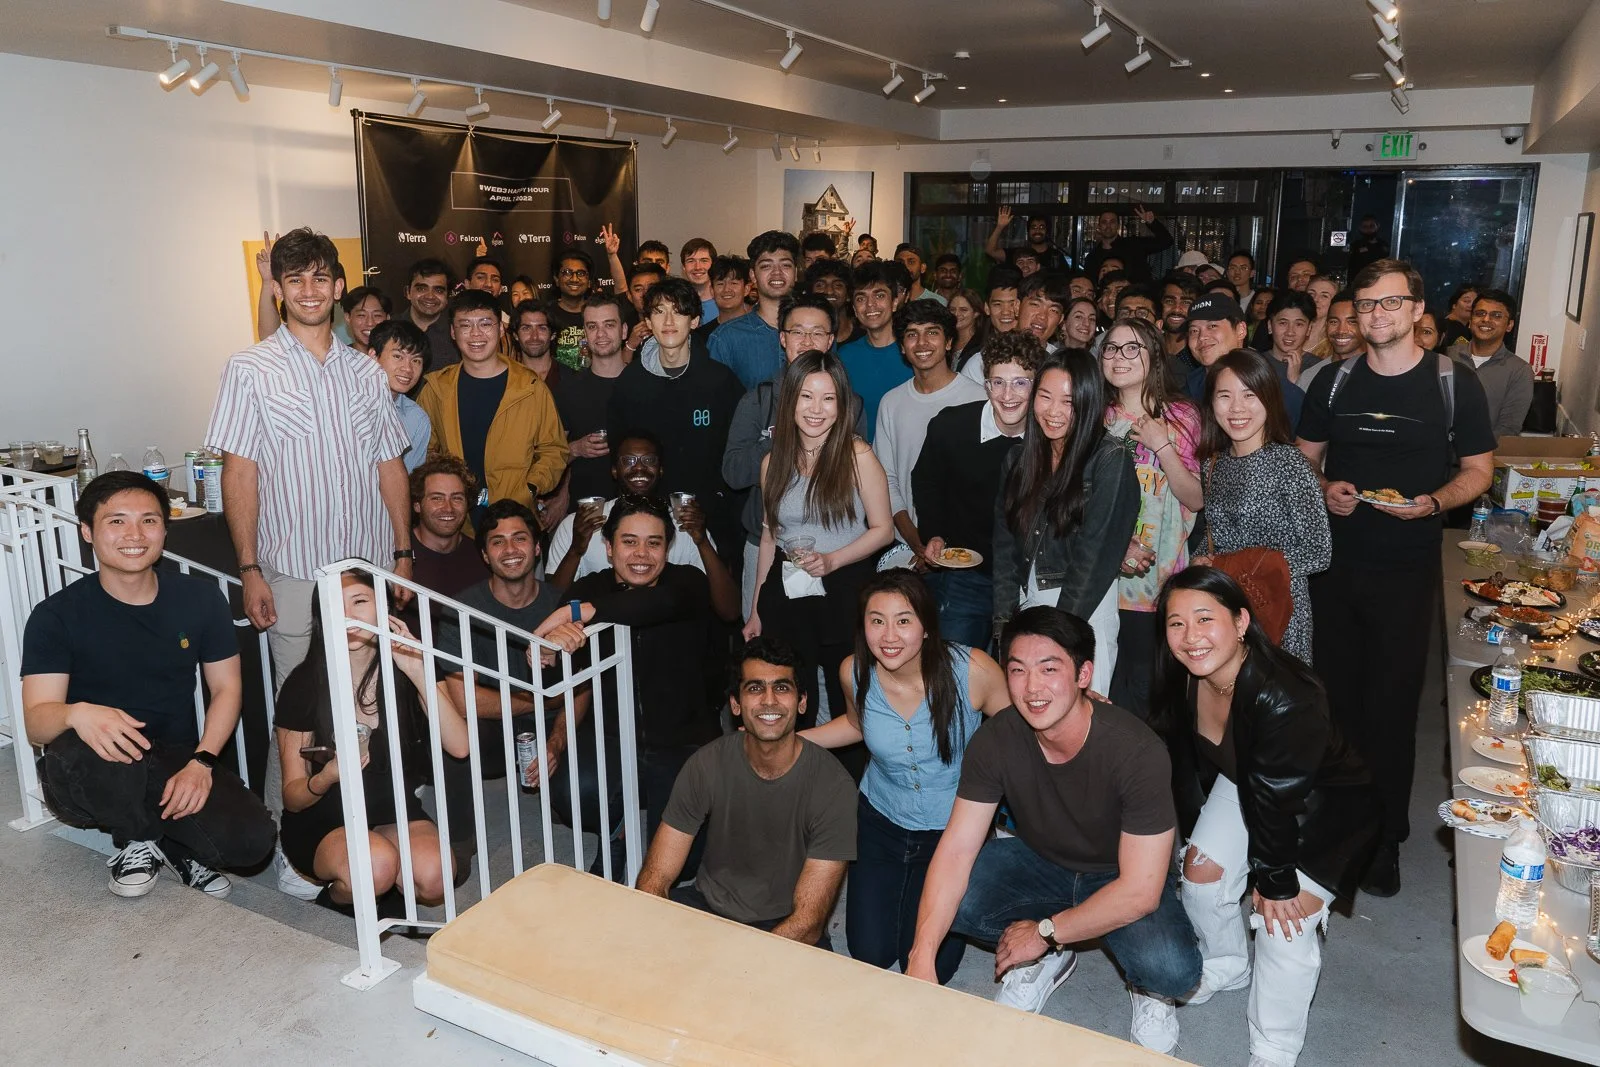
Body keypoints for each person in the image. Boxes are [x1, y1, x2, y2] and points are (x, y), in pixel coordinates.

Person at [905, 607, 1201, 1053]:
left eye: (1049, 669)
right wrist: (920, 955)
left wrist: (1043, 931)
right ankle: (1050, 959)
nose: (1032, 688)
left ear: (1084, 673)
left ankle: (1142, 988)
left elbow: (1140, 890)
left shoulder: (1137, 751)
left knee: (1171, 970)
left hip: (1122, 874)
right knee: (956, 901)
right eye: (1018, 671)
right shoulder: (996, 739)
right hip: (1042, 860)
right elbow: (957, 848)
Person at [1296, 258, 1497, 897]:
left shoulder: (1452, 384)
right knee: (1334, 704)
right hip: (1336, 568)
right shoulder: (1333, 380)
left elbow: (1479, 471)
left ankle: (1383, 841)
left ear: (1417, 311)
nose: (1377, 315)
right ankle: (1337, 829)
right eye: (1367, 305)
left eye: (1390, 303)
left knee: (1390, 711)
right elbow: (1303, 463)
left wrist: (1435, 503)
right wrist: (1327, 490)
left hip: (1408, 574)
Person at [1154, 566, 1378, 1067]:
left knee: (1283, 921)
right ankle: (1228, 964)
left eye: (1204, 619)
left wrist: (1274, 880)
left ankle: (1274, 1046)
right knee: (1201, 874)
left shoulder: (1288, 696)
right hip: (1254, 783)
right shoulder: (1185, 674)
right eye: (1176, 623)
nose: (1190, 638)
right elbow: (1184, 763)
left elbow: (1278, 802)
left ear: (1240, 622)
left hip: (1326, 808)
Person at [22, 472, 277, 899]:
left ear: (164, 529)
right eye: (116, 521)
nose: (134, 535)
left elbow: (228, 689)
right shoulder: (56, 615)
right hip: (92, 756)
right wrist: (76, 712)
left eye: (149, 520)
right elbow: (36, 723)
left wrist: (202, 762)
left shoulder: (200, 598)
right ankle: (136, 839)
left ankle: (168, 846)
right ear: (88, 532)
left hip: (173, 753)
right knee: (104, 758)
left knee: (252, 840)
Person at [206, 227, 413, 686]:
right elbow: (239, 475)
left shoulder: (368, 373)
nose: (309, 291)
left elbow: (390, 467)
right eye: (295, 280)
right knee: (299, 707)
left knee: (374, 697)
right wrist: (249, 569)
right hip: (296, 572)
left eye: (320, 279)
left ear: (338, 287)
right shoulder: (249, 369)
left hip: (369, 566)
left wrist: (403, 553)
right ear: (277, 289)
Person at [800, 572, 1009, 979]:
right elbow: (856, 725)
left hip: (953, 834)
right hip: (880, 823)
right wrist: (788, 742)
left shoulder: (973, 671)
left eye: (903, 620)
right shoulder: (854, 671)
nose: (889, 635)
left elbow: (1017, 730)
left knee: (937, 967)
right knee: (870, 955)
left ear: (927, 627)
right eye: (876, 620)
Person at [538, 495, 741, 866]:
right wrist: (548, 653)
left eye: (654, 542)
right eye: (629, 542)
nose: (641, 555)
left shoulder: (689, 582)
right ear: (609, 547)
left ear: (668, 548)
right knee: (573, 791)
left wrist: (585, 612)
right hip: (612, 738)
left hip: (682, 740)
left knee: (685, 863)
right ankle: (616, 828)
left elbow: (657, 605)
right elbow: (558, 671)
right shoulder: (588, 589)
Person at [636, 637, 856, 947]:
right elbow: (655, 876)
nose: (769, 700)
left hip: (786, 925)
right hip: (708, 906)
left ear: (802, 701)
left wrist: (737, 961)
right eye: (755, 688)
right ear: (736, 705)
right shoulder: (706, 764)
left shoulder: (834, 787)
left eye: (782, 687)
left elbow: (807, 923)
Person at [275, 570, 470, 912]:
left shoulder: (410, 665)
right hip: (324, 817)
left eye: (360, 601)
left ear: (386, 607)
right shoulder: (304, 683)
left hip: (391, 807)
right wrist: (326, 777)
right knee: (374, 867)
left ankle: (383, 885)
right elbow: (292, 797)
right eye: (337, 605)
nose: (349, 615)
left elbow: (460, 746)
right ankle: (342, 899)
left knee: (438, 875)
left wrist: (417, 671)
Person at [745, 351, 894, 725]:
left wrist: (832, 560)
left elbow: (883, 530)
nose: (817, 409)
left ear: (841, 405)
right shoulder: (771, 462)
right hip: (786, 590)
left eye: (828, 398)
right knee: (792, 698)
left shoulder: (857, 454)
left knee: (853, 701)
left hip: (844, 588)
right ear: (790, 400)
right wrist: (756, 608)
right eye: (806, 396)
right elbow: (768, 537)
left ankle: (853, 782)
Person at [992, 347, 1138, 695]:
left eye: (1069, 402)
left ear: (1089, 403)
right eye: (1044, 396)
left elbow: (1094, 559)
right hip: (1026, 608)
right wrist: (1003, 627)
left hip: (1081, 613)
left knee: (1076, 731)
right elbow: (1003, 548)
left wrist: (1057, 637)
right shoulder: (1018, 459)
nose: (1053, 411)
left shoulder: (1110, 461)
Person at [723, 294, 863, 617]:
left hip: (834, 550)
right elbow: (732, 472)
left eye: (817, 332)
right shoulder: (757, 399)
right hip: (767, 544)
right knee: (769, 648)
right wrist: (784, 435)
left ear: (830, 341)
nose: (807, 340)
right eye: (797, 331)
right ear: (783, 338)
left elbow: (857, 485)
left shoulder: (848, 404)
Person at [1198, 350, 1331, 664]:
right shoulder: (1214, 464)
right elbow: (1218, 534)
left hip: (1278, 610)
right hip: (1227, 609)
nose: (1237, 408)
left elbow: (1318, 551)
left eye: (1249, 395)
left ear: (1268, 400)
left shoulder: (1290, 464)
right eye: (1224, 396)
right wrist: (1200, 560)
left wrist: (1240, 568)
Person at [1101, 316, 1203, 716]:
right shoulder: (1093, 416)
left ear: (1154, 356)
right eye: (1111, 348)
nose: (1119, 357)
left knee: (1150, 701)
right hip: (1102, 585)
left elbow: (1195, 498)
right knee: (1105, 695)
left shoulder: (1182, 417)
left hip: (1159, 586)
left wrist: (1163, 446)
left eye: (1132, 348)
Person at [608, 277, 746, 570]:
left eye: (679, 311)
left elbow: (737, 451)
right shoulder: (629, 385)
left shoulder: (720, 381)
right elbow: (618, 454)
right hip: (645, 521)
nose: (669, 320)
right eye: (659, 311)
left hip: (710, 519)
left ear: (695, 321)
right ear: (647, 321)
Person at [914, 331, 1039, 647]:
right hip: (966, 575)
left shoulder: (1051, 438)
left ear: (1038, 386)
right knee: (956, 670)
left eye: (1020, 382)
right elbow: (926, 482)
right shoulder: (951, 427)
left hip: (1030, 581)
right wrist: (935, 533)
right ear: (986, 384)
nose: (1007, 394)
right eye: (998, 382)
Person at [414, 289, 568, 520]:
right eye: (465, 325)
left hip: (514, 517)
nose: (476, 334)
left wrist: (529, 488)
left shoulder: (531, 387)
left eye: (485, 324)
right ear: (453, 333)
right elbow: (424, 452)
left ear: (501, 329)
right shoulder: (436, 389)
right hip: (454, 520)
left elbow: (554, 450)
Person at [546, 432, 737, 614]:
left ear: (661, 469)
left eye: (649, 460)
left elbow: (729, 611)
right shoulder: (579, 525)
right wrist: (576, 550)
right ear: (614, 470)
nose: (639, 468)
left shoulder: (686, 525)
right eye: (628, 461)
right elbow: (550, 608)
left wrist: (702, 541)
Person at [876, 301, 986, 564]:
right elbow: (886, 480)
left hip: (966, 551)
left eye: (932, 332)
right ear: (902, 347)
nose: (922, 343)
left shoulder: (979, 399)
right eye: (912, 334)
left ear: (949, 342)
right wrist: (916, 543)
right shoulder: (891, 402)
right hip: (907, 547)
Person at [1184, 292, 1305, 431]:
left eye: (1212, 326)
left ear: (1241, 330)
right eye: (1193, 330)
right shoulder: (1187, 391)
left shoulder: (1278, 392)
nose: (1202, 337)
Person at [709, 230, 798, 389]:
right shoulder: (725, 338)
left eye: (785, 265)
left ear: (796, 273)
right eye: (766, 266)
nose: (777, 273)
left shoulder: (817, 331)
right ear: (753, 275)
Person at [838, 260, 913, 439]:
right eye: (861, 298)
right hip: (859, 457)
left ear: (895, 302)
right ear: (855, 310)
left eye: (879, 296)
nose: (870, 304)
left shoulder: (915, 352)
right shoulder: (844, 356)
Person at [1448, 287, 1532, 437]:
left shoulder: (1519, 371)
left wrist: (1471, 455)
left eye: (1496, 316)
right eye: (1480, 313)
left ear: (1509, 325)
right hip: (1436, 454)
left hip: (1484, 456)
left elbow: (1508, 429)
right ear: (1470, 320)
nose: (1486, 319)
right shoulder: (1448, 356)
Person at [408, 455, 489, 597]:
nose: (448, 508)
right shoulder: (398, 555)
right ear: (417, 505)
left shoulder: (482, 557)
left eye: (457, 498)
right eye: (437, 498)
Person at [365, 320, 432, 473]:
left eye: (416, 360)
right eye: (398, 356)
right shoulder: (344, 401)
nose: (408, 369)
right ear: (373, 355)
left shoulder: (416, 419)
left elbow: (409, 480)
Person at [1082, 206, 1174, 282]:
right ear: (1099, 226)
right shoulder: (1092, 258)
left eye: (1112, 222)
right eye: (1104, 222)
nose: (1108, 226)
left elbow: (1166, 241)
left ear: (1118, 225)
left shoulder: (1134, 245)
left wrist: (1152, 223)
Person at [400, 258, 458, 371]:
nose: (430, 296)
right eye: (421, 289)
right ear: (408, 292)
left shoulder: (458, 332)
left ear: (447, 297)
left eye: (439, 290)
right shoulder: (390, 330)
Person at [1301, 291, 1364, 388]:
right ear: (1326, 326)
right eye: (1334, 322)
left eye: (1351, 322)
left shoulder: (1379, 372)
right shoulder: (1310, 376)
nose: (1341, 330)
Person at [546, 248, 595, 371]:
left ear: (589, 282)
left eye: (581, 273)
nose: (574, 279)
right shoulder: (545, 314)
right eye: (567, 272)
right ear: (556, 279)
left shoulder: (597, 313)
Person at [984, 208, 1070, 274]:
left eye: (1041, 227)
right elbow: (991, 251)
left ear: (1047, 231)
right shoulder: (1017, 253)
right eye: (1033, 227)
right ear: (1028, 232)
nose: (1037, 231)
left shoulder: (1056, 257)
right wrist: (1000, 226)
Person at [691, 254, 751, 347]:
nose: (726, 289)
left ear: (746, 289)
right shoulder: (700, 336)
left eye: (734, 283)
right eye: (720, 284)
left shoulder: (760, 329)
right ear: (712, 291)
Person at [1264, 291, 1321, 385]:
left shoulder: (1319, 368)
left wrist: (1296, 380)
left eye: (1299, 324)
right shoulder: (1254, 364)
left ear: (1309, 328)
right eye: (1283, 323)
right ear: (1270, 326)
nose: (1290, 332)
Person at [803, 257, 857, 346]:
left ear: (848, 295)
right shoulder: (803, 340)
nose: (829, 291)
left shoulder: (864, 335)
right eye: (820, 285)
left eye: (837, 285)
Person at [509, 301, 557, 383]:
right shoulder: (506, 380)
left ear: (552, 335)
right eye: (526, 328)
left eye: (542, 328)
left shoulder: (572, 380)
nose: (534, 336)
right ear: (515, 335)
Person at [341, 286, 391, 356]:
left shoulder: (400, 360)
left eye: (377, 315)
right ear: (348, 318)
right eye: (361, 315)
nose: (370, 323)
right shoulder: (338, 360)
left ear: (387, 319)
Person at [680, 237, 719, 324]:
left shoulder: (725, 301)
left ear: (714, 265)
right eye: (691, 261)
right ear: (683, 267)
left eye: (704, 261)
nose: (697, 267)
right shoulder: (677, 302)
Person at [948, 287, 987, 371]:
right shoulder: (946, 340)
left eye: (963, 310)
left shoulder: (982, 343)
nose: (956, 314)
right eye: (952, 309)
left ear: (976, 313)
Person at [1302, 276, 1339, 355]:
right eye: (1311, 294)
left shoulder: (1336, 339)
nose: (1316, 299)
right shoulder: (1290, 331)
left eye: (1324, 296)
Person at [1346, 214, 1390, 280]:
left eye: (1371, 226)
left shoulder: (1384, 246)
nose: (1368, 229)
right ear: (1360, 228)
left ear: (1377, 226)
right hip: (1360, 281)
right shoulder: (1355, 246)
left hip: (1380, 280)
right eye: (1365, 227)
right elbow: (1351, 269)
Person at [1439, 283, 1479, 351]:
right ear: (1454, 305)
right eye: (1466, 301)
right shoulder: (1444, 327)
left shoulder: (1467, 330)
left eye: (1475, 303)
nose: (1471, 305)